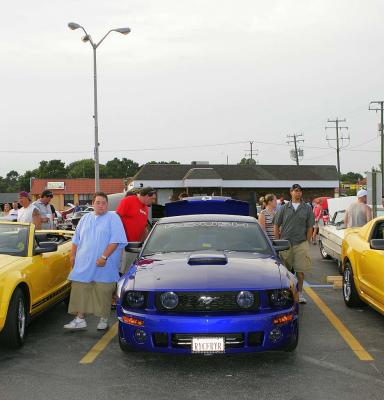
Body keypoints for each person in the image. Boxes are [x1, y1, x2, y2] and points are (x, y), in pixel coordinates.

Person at [64, 192, 127, 331]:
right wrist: (72, 255)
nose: (101, 205)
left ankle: (103, 318)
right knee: (80, 288)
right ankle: (80, 319)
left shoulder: (113, 217)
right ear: (92, 204)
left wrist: (104, 257)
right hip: (83, 263)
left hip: (105, 263)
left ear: (107, 205)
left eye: (104, 203)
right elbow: (76, 239)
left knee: (103, 290)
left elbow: (115, 240)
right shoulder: (85, 218)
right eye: (98, 202)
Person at [273, 184, 314, 304]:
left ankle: (300, 294)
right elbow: (276, 224)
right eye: (296, 191)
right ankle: (286, 294)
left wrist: (307, 241)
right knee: (285, 272)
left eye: (300, 191)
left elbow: (310, 226)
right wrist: (278, 241)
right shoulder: (284, 208)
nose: (298, 193)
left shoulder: (307, 208)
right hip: (285, 244)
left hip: (301, 243)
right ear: (291, 192)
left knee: (300, 272)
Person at [116, 187, 157, 274]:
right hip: (123, 246)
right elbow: (116, 218)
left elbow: (144, 228)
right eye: (152, 198)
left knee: (132, 273)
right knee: (122, 272)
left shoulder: (145, 208)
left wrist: (148, 243)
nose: (153, 201)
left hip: (135, 248)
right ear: (146, 196)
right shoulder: (128, 200)